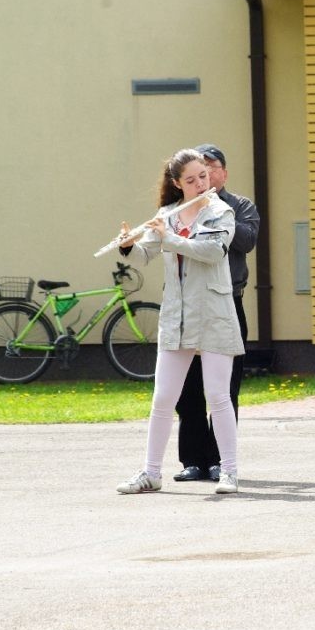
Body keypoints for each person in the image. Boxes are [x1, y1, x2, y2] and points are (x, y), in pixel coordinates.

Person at [115, 148, 244, 495]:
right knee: (163, 398)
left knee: (218, 396)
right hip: (178, 316)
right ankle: (151, 472)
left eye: (203, 176)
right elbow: (146, 253)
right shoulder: (167, 215)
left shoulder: (221, 211)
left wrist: (170, 238)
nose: (201, 183)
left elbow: (213, 251)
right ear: (177, 184)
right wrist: (127, 246)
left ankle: (230, 472)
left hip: (214, 314)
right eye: (191, 180)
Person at [171, 144, 260, 484]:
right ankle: (192, 460)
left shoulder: (239, 206)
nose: (203, 176)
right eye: (197, 170)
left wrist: (217, 211)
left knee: (224, 389)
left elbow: (247, 240)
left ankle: (221, 462)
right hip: (189, 306)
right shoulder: (182, 209)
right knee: (188, 388)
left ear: (223, 172)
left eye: (209, 168)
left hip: (227, 305)